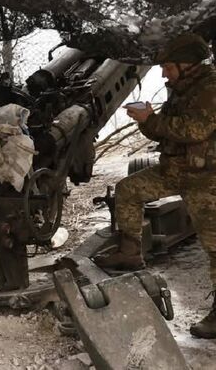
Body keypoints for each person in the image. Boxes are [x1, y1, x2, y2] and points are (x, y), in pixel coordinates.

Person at [93, 32, 216, 338]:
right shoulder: (181, 88)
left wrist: (153, 119)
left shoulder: (210, 88)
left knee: (215, 248)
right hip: (175, 170)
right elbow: (167, 133)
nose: (163, 72)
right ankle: (131, 252)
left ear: (187, 65)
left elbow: (194, 130)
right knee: (128, 190)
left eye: (168, 67)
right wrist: (146, 120)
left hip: (206, 180)